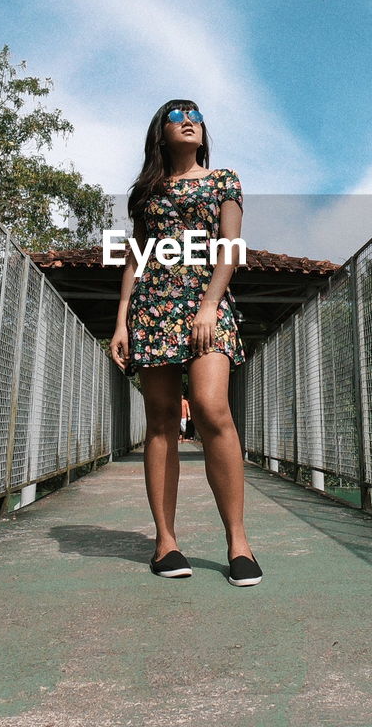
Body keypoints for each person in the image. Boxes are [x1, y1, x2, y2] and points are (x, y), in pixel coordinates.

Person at [109, 100, 262, 588]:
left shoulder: (224, 181)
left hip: (205, 304)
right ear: (162, 131)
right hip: (151, 309)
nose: (188, 120)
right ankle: (165, 543)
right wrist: (121, 324)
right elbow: (135, 258)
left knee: (212, 408)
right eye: (176, 116)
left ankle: (238, 543)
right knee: (160, 420)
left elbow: (230, 248)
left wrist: (209, 306)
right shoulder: (145, 192)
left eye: (194, 114)